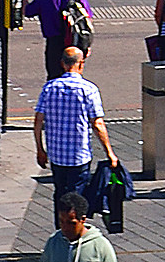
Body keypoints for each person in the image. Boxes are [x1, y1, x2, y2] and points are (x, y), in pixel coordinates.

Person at [32, 45, 115, 196]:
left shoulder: (49, 88)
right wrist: (109, 153)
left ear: (62, 63)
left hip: (56, 155)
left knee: (60, 195)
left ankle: (60, 219)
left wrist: (40, 149)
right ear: (81, 64)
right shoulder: (89, 89)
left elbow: (38, 121)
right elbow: (97, 124)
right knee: (76, 199)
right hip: (79, 155)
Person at [25, 0, 97, 80]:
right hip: (74, 41)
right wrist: (86, 43)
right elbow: (87, 17)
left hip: (53, 42)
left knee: (54, 77)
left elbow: (28, 12)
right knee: (74, 77)